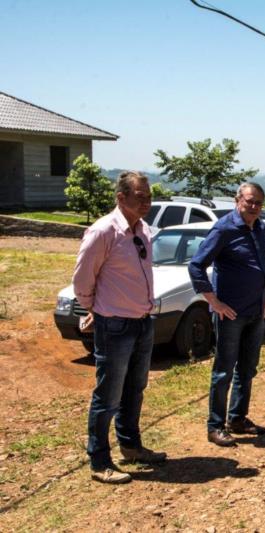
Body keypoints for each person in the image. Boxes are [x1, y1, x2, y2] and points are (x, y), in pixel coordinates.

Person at [73, 171, 166, 484]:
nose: (146, 202)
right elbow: (83, 280)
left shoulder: (144, 231)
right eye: (139, 196)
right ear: (121, 197)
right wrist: (94, 310)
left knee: (134, 389)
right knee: (108, 395)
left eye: (149, 196)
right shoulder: (103, 231)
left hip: (142, 321)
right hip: (114, 324)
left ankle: (131, 447)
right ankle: (100, 461)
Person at [189, 183, 265, 447]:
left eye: (259, 202)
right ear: (238, 200)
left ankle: (237, 418)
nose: (254, 206)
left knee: (247, 368)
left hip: (256, 311)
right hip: (230, 314)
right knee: (223, 371)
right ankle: (215, 425)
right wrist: (214, 301)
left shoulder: (259, 227)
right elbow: (196, 266)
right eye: (250, 201)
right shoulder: (224, 228)